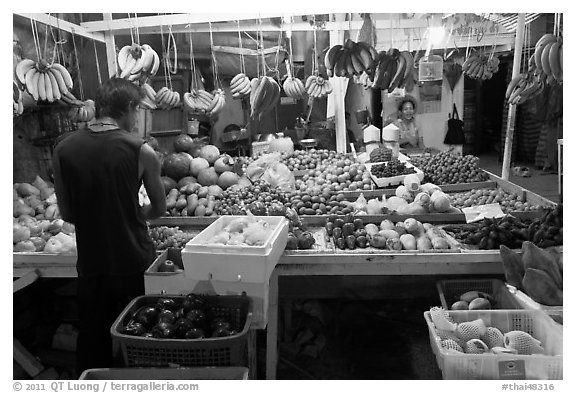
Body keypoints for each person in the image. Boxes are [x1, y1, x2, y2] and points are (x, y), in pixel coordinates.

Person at [52, 77, 167, 375]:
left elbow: (67, 212)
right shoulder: (140, 150)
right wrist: (134, 213)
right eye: (138, 110)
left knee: (93, 340)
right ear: (129, 107)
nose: (137, 118)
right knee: (139, 335)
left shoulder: (63, 149)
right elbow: (158, 209)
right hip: (133, 260)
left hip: (92, 264)